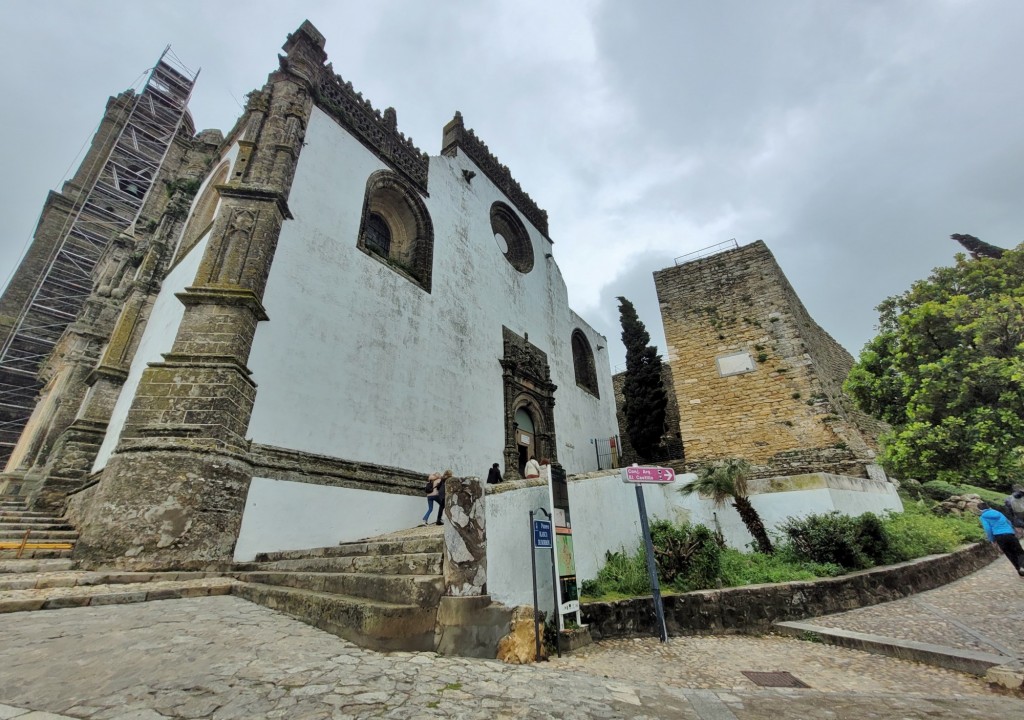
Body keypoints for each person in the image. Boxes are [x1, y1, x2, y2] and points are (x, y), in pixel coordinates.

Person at [978, 502, 1024, 577]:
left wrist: (992, 539)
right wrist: (1013, 530)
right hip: (1009, 534)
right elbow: (1008, 522)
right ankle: (1023, 565)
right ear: (988, 506)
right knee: (1019, 551)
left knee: (1009, 553)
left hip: (999, 537)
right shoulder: (998, 512)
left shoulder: (983, 517)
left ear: (980, 510)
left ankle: (1019, 569)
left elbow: (988, 529)